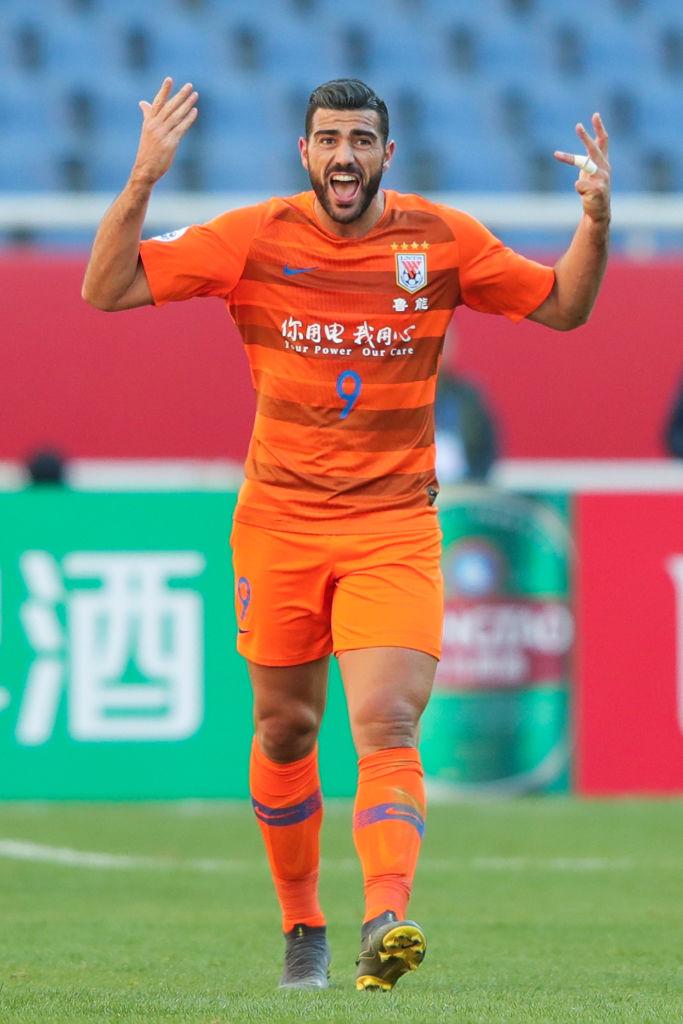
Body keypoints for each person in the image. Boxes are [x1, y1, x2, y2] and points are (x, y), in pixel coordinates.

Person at [82, 77, 611, 991]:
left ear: (385, 155)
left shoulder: (442, 240)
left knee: (387, 721)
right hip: (279, 523)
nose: (344, 155)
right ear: (305, 152)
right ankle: (302, 928)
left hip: (393, 524)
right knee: (285, 729)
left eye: (361, 140)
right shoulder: (252, 237)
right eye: (328, 139)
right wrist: (142, 180)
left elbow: (563, 304)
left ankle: (385, 918)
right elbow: (105, 289)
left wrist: (595, 222)